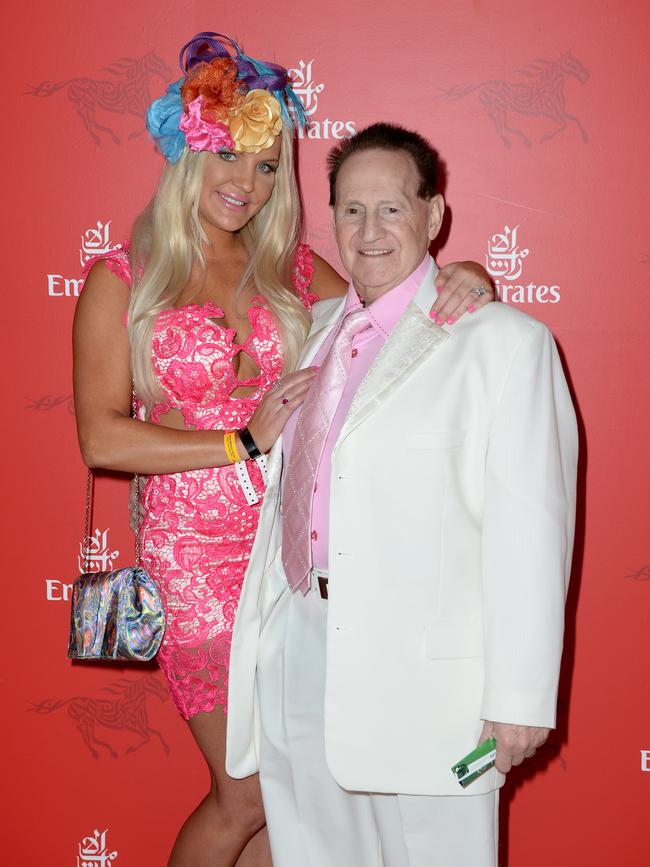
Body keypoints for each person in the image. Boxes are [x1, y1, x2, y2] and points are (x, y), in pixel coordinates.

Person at [72, 33, 493, 867]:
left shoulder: (293, 269)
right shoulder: (126, 274)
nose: (247, 183)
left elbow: (397, 308)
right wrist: (239, 438)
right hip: (190, 561)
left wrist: (465, 272)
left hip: (286, 559)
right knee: (248, 792)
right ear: (188, 152)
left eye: (268, 166)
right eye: (229, 155)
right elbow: (100, 434)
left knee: (291, 786)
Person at [226, 122, 578, 867]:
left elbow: (531, 532)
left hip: (431, 690)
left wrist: (519, 697)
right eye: (351, 209)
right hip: (298, 657)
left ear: (434, 213)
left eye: (392, 207)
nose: (370, 229)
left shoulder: (503, 344)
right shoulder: (312, 329)